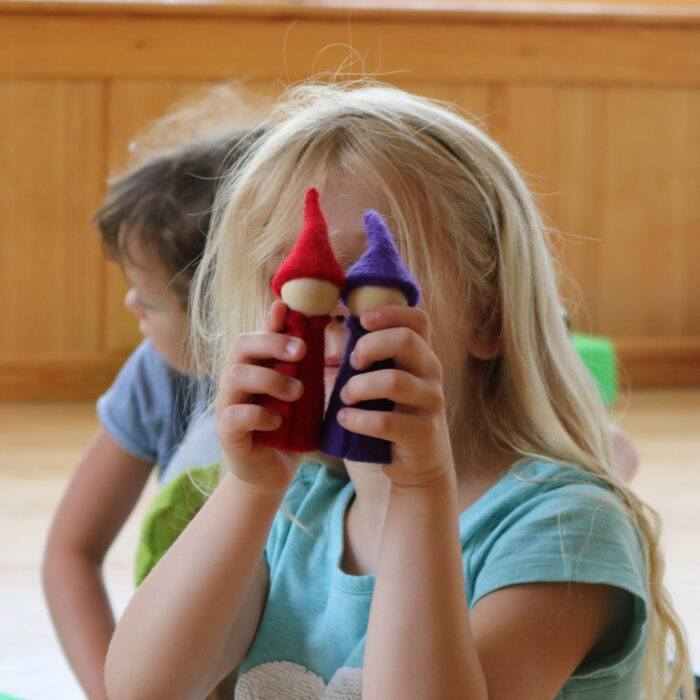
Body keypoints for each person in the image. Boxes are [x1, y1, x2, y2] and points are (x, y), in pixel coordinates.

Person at [105, 82, 692, 700]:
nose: (330, 306)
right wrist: (250, 487)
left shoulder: (565, 527)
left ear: (488, 319)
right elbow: (147, 688)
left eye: (372, 277)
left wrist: (419, 486)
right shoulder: (298, 508)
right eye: (294, 275)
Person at [41, 128, 261, 700]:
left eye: (150, 298)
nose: (130, 304)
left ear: (223, 317)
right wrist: (109, 689)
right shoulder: (158, 370)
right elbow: (71, 551)